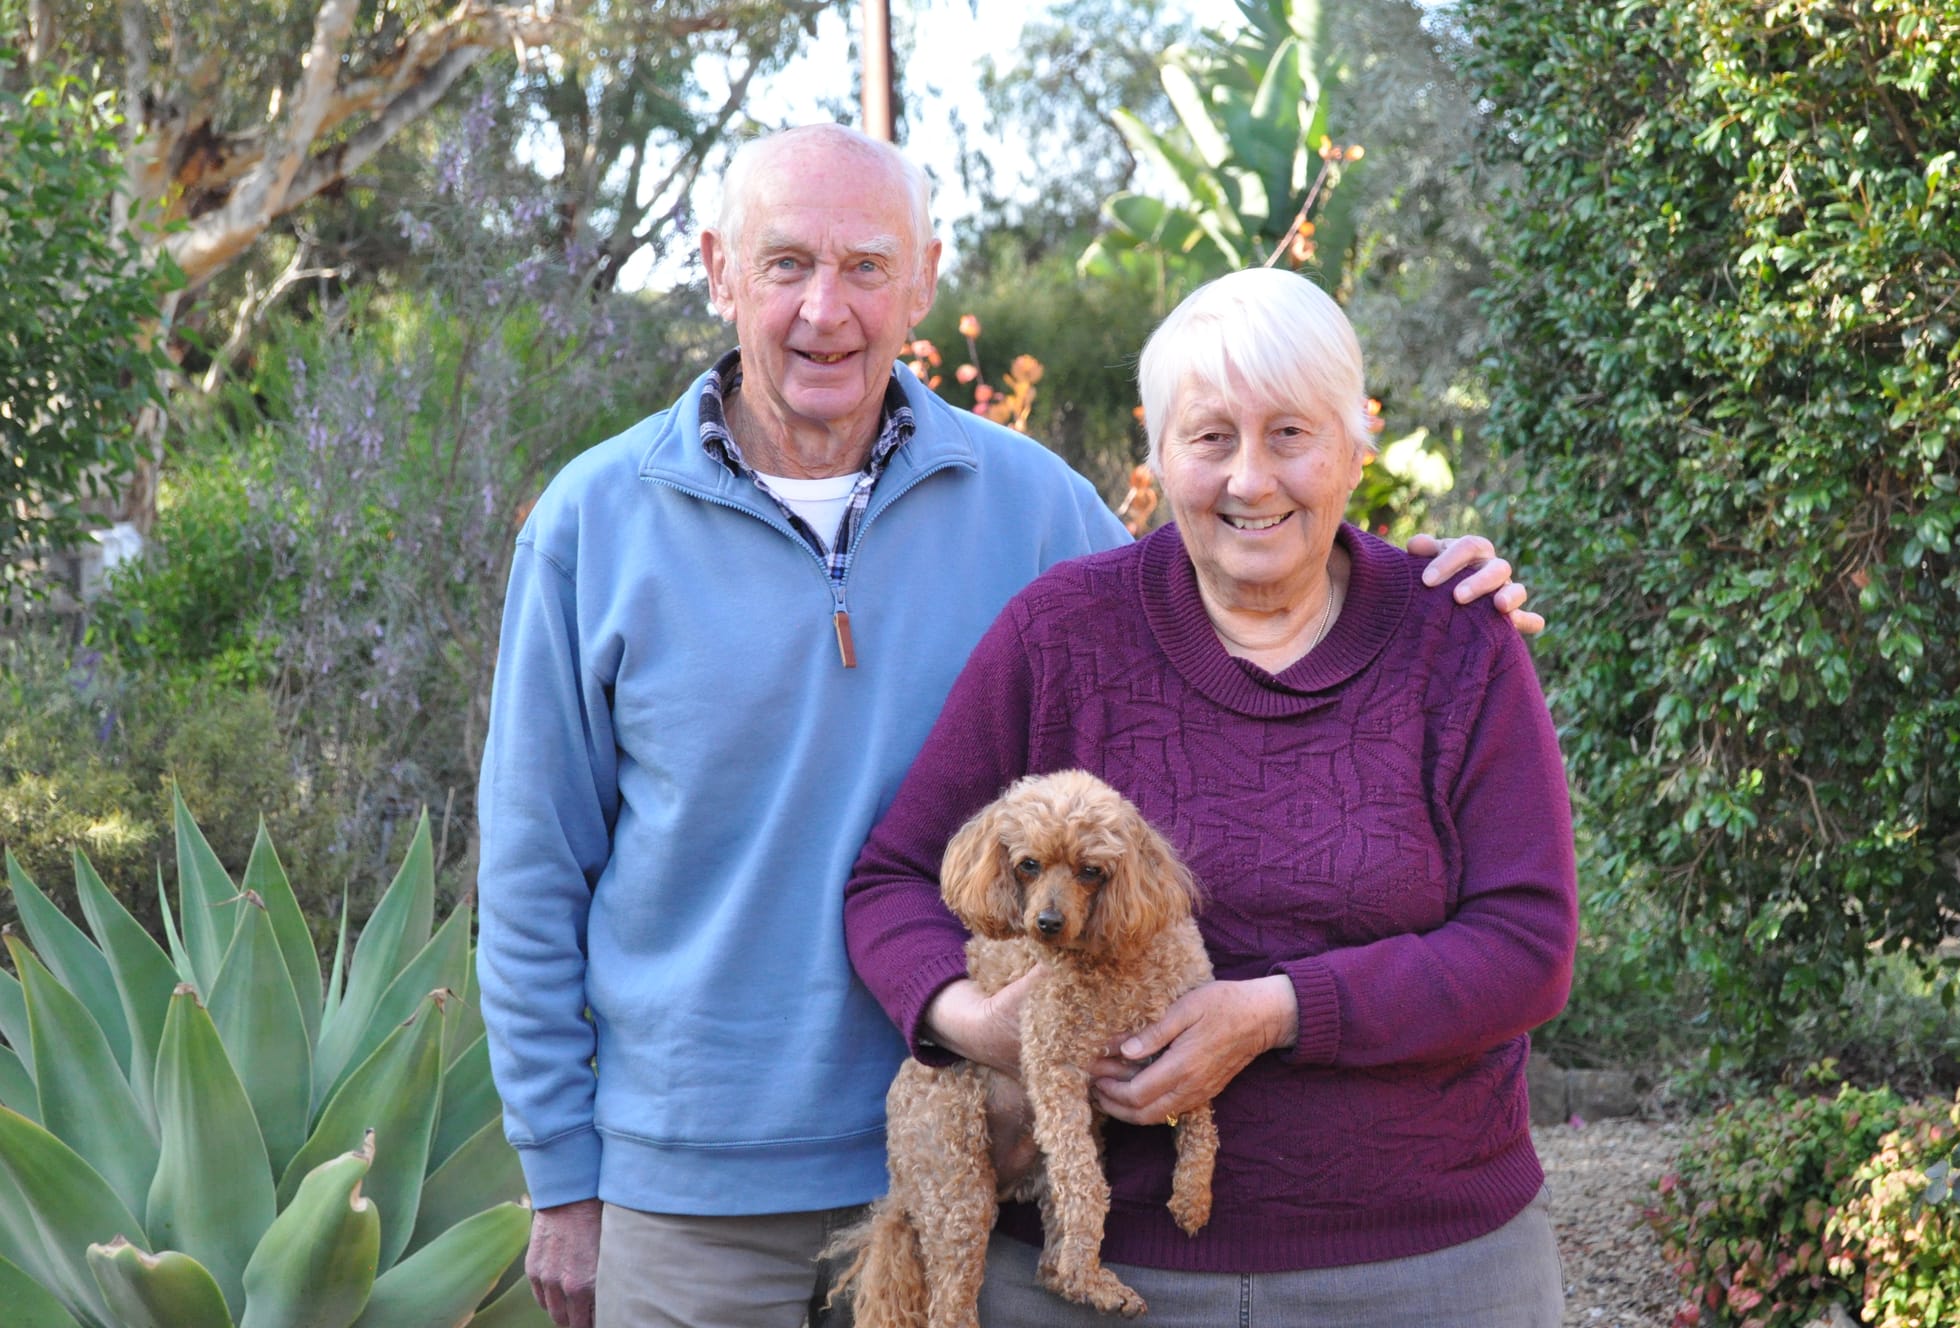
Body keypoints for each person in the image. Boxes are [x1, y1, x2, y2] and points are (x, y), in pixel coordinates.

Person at [476, 125, 1536, 1328]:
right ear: (719, 268)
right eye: (784, 264)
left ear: (923, 278)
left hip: (988, 1164)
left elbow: (1239, 582)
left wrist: (1429, 588)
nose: (826, 308)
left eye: (867, 266)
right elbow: (531, 871)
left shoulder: (1037, 509)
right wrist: (560, 1175)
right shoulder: (594, 524)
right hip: (691, 1190)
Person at [844, 266, 1578, 1326]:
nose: (1249, 478)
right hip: (1096, 1279)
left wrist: (1275, 1011)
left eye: (1290, 433)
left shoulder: (1454, 643)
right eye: (1208, 437)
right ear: (1154, 453)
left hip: (1420, 1266)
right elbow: (891, 877)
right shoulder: (1060, 636)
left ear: (1353, 443)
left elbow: (1525, 944)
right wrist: (971, 1020)